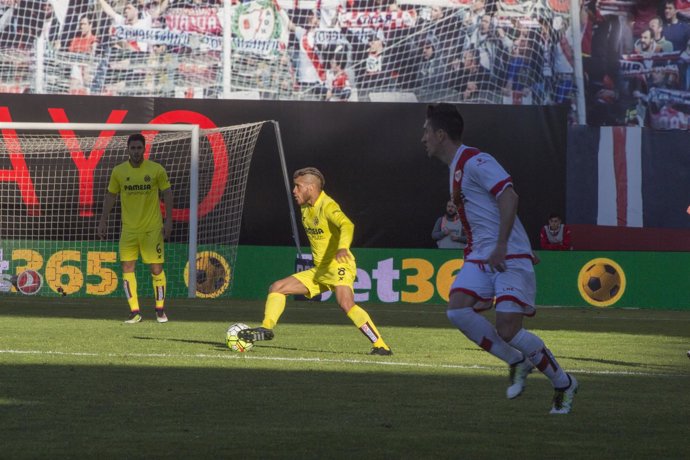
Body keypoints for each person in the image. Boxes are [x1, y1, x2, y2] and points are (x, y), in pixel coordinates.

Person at [421, 103, 577, 414]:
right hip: (481, 255)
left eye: (425, 132)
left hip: (508, 254)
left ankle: (563, 382)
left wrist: (502, 244)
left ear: (441, 134)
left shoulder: (476, 160)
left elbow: (510, 196)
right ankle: (516, 360)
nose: (422, 138)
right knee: (456, 311)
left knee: (508, 330)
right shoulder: (455, 169)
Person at [239, 167, 392, 355]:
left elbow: (347, 224)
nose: (294, 191)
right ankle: (266, 328)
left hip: (339, 265)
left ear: (310, 188)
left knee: (345, 303)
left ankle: (381, 345)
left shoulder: (328, 206)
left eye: (297, 186)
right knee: (277, 287)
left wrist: (343, 246)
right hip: (320, 270)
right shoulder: (305, 207)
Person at [98, 133, 173, 324]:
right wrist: (103, 219)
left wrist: (169, 220)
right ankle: (134, 312)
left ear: (144, 149)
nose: (136, 151)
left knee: (156, 269)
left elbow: (167, 192)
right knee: (127, 267)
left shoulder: (156, 170)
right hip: (129, 230)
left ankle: (160, 310)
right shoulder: (119, 171)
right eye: (133, 148)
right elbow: (110, 195)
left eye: (139, 148)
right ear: (128, 150)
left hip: (152, 229)